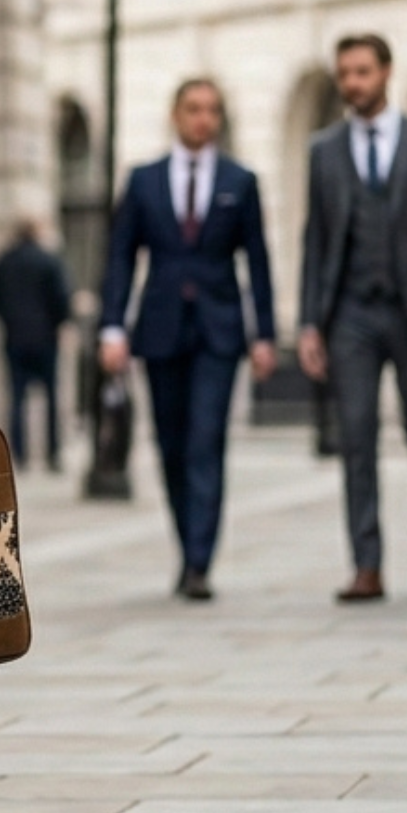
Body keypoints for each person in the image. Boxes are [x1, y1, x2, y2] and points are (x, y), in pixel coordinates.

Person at [99, 78, 277, 600]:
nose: (204, 119)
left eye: (213, 110)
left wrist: (265, 334)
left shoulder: (240, 181)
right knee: (172, 445)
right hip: (161, 330)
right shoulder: (144, 181)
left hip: (219, 332)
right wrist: (112, 327)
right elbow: (120, 259)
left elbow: (258, 261)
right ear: (176, 114)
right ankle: (187, 547)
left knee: (206, 440)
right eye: (195, 109)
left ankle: (199, 562)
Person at [298, 33, 407, 603]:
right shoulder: (323, 151)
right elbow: (315, 240)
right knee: (356, 439)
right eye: (345, 73)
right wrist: (309, 323)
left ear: (386, 72)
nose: (352, 82)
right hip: (349, 313)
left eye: (362, 71)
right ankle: (367, 566)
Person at [0, 219, 72, 471]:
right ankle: (53, 454)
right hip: (46, 338)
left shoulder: (4, 261)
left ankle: (20, 455)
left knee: (16, 398)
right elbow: (62, 300)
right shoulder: (49, 260)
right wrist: (57, 322)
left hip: (15, 337)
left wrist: (10, 317)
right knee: (51, 398)